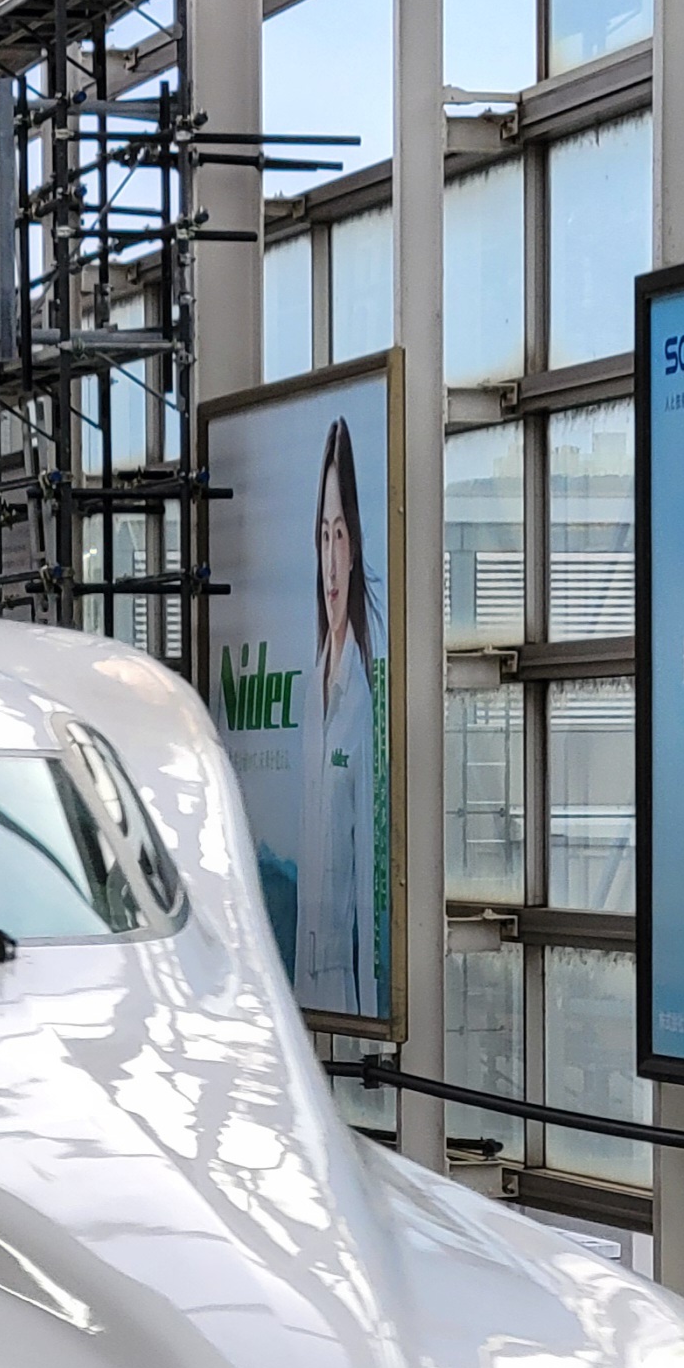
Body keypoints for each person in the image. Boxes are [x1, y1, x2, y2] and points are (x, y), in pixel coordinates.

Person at [296, 416, 383, 1020]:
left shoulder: (363, 696)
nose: (331, 561)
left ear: (355, 548)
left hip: (344, 989)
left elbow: (370, 875)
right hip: (301, 984)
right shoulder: (312, 688)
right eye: (323, 537)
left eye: (341, 536)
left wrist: (372, 1017)